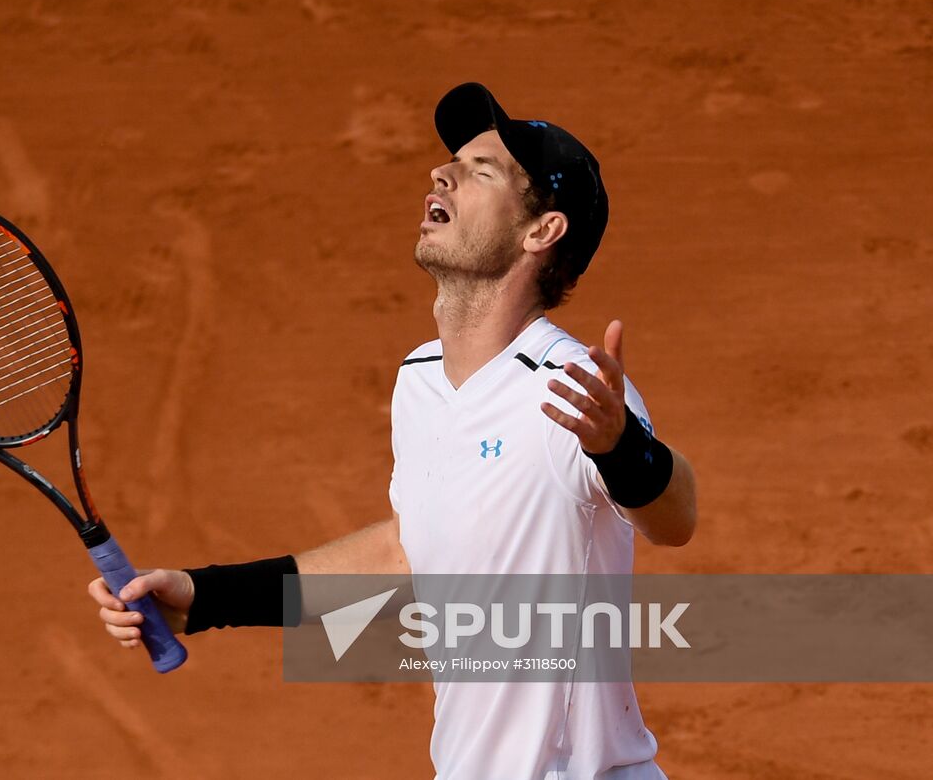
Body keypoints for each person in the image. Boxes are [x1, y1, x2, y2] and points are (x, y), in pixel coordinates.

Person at [87, 83, 698, 779]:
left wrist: (623, 448)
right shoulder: (422, 379)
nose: (442, 174)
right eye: (452, 162)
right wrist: (208, 597)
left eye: (480, 171)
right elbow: (412, 555)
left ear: (541, 231)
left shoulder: (569, 388)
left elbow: (675, 516)